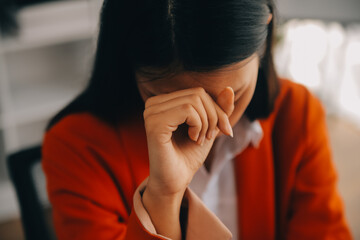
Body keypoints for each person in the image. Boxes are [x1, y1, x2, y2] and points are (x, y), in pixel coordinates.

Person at [41, 0, 352, 239]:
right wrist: (163, 197)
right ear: (128, 64)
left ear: (266, 36)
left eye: (232, 96)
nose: (210, 123)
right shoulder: (76, 145)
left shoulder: (297, 112)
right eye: (164, 98)